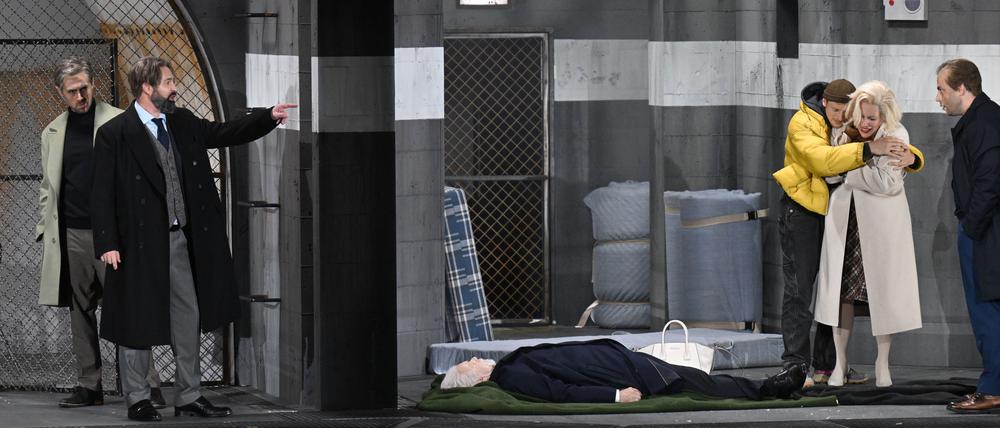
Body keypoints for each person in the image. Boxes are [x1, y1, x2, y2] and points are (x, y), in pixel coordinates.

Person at [89, 56, 295, 422]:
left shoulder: (181, 122)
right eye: (168, 82)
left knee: (188, 318)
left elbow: (223, 133)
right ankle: (138, 399)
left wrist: (267, 117)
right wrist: (107, 242)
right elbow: (101, 192)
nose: (174, 88)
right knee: (137, 322)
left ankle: (188, 396)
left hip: (179, 240)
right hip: (137, 246)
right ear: (147, 87)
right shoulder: (115, 134)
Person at [773, 80, 924, 386]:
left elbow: (890, 156)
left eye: (849, 112)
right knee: (805, 291)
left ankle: (828, 366)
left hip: (838, 212)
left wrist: (914, 158)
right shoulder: (804, 123)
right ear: (825, 104)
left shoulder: (850, 129)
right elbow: (825, 163)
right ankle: (796, 366)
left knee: (846, 291)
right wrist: (869, 153)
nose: (845, 118)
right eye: (840, 111)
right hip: (803, 210)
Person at [36, 57, 165, 409]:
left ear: (94, 85)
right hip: (72, 234)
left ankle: (147, 384)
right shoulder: (52, 132)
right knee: (80, 310)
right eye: (73, 91)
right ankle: (89, 385)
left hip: (113, 235)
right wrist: (43, 227)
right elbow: (49, 186)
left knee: (127, 308)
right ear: (60, 92)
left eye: (85, 88)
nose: (81, 96)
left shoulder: (121, 121)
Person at [440, 339, 805, 403]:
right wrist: (614, 396)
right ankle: (769, 388)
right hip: (617, 373)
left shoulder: (509, 366)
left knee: (695, 380)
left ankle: (768, 386)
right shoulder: (510, 375)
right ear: (477, 378)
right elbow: (560, 392)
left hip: (616, 361)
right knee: (699, 384)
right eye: (467, 364)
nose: (473, 359)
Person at [935, 58, 1000, 414]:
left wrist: (970, 227)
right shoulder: (982, 120)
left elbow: (990, 183)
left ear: (962, 88)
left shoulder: (985, 122)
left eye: (942, 89)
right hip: (984, 229)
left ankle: (992, 389)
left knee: (986, 311)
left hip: (985, 232)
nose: (938, 97)